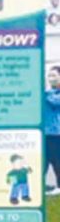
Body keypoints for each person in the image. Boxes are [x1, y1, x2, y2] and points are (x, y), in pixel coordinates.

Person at [44, 66, 60, 196]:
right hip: (45, 131)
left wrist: (43, 92)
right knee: (44, 160)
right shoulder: (48, 92)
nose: (51, 78)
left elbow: (55, 102)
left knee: (56, 160)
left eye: (54, 75)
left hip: (56, 132)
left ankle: (59, 186)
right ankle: (40, 185)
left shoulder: (52, 94)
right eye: (49, 76)